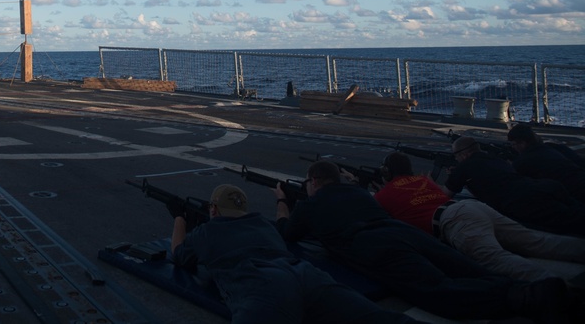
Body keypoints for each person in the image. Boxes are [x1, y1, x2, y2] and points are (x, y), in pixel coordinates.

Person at [275, 160, 571, 323]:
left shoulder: (310, 206)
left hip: (373, 245)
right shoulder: (357, 193)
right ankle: (535, 289)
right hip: (403, 231)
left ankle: (526, 298)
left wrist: (283, 204)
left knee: (436, 289)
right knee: (467, 268)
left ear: (313, 181)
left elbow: (288, 235)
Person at [170, 183, 416, 324]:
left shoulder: (208, 231)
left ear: (213, 210)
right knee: (378, 319)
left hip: (260, 283)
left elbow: (180, 256)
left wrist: (179, 218)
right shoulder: (264, 224)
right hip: (304, 273)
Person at [374, 151, 585, 282]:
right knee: (535, 240)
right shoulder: (424, 181)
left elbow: (378, 216)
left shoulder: (384, 195)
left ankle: (556, 285)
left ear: (386, 172)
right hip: (471, 208)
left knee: (497, 260)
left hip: (454, 221)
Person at [445, 136, 585, 236]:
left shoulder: (463, 167)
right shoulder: (496, 160)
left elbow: (446, 195)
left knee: (573, 224)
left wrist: (431, 181)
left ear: (463, 155)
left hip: (524, 201)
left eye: (456, 156)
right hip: (545, 187)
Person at [508, 123, 585, 203]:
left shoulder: (522, 162)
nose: (513, 147)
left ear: (521, 143)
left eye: (514, 144)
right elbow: (578, 161)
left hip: (573, 193)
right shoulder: (554, 147)